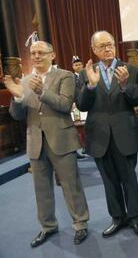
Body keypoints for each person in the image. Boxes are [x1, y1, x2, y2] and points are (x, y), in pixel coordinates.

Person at [4, 41, 89, 247]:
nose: (36, 56)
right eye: (33, 53)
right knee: (41, 189)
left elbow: (65, 104)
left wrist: (43, 91)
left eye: (41, 52)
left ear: (52, 55)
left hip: (61, 140)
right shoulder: (24, 81)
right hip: (35, 141)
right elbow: (17, 115)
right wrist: (17, 98)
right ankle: (48, 226)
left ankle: (80, 224)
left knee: (71, 186)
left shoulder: (65, 76)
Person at [76, 31, 138, 238]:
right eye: (103, 46)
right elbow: (81, 104)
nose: (108, 48)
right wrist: (90, 85)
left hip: (125, 134)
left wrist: (125, 86)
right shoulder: (85, 74)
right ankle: (117, 218)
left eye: (110, 44)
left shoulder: (131, 70)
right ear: (94, 50)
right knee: (109, 181)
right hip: (99, 136)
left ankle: (135, 218)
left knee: (129, 179)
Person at [71, 55, 86, 159]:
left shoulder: (87, 74)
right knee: (77, 128)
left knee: (88, 126)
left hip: (87, 104)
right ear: (73, 66)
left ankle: (88, 146)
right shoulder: (70, 77)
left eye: (80, 64)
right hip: (75, 105)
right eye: (76, 65)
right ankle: (81, 146)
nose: (78, 66)